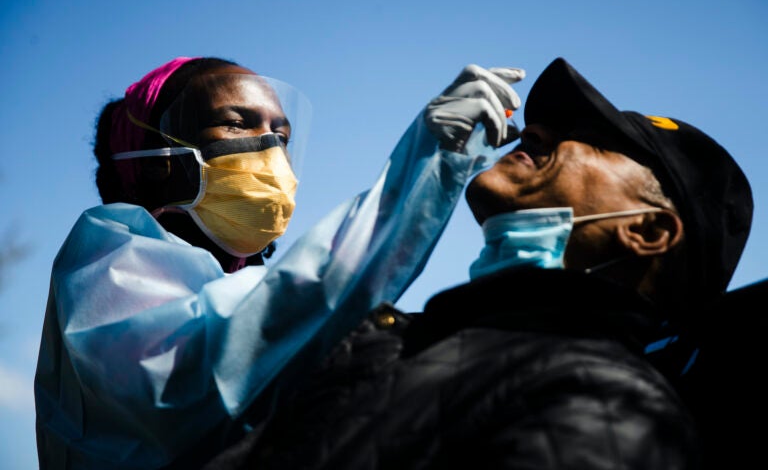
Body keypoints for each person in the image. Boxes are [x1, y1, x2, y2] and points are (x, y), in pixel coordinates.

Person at [198, 57, 753, 469]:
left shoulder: (608, 403)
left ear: (647, 230)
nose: (531, 129)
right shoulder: (396, 345)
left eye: (592, 140)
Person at [33, 56, 527, 469]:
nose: (269, 149)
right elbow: (210, 359)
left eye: (282, 135)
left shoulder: (225, 281)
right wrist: (426, 166)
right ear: (158, 156)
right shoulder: (110, 259)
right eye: (237, 121)